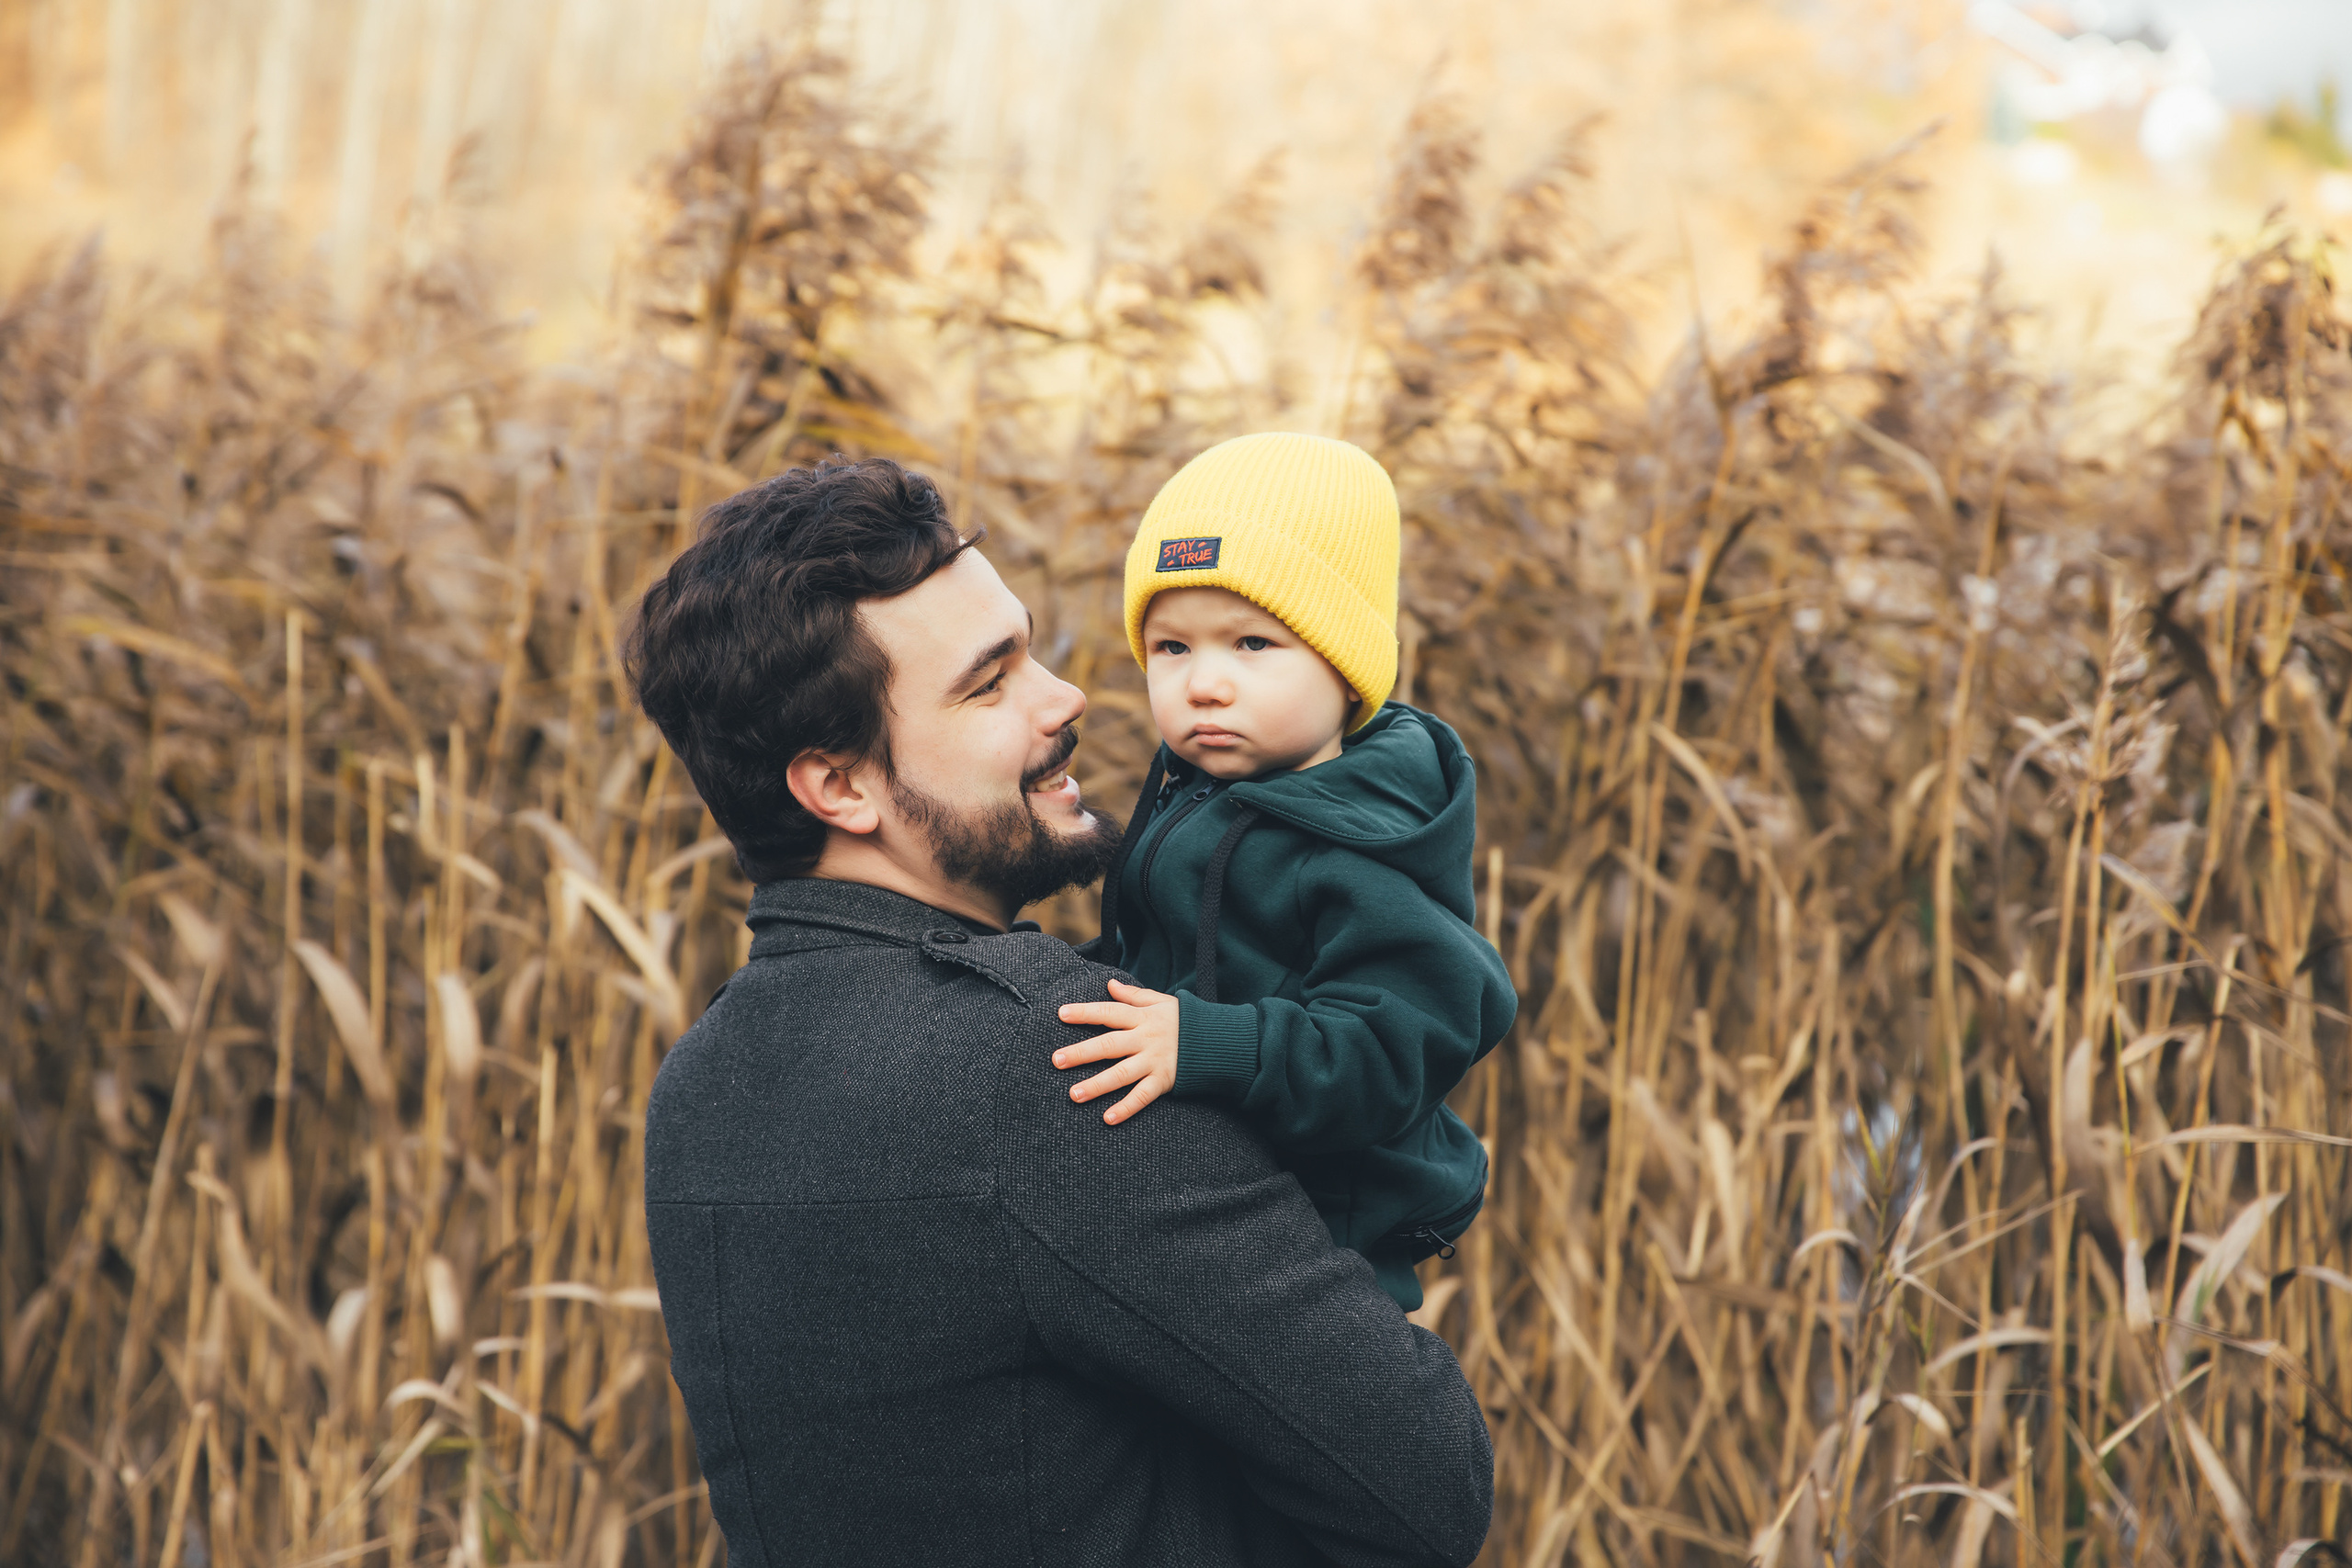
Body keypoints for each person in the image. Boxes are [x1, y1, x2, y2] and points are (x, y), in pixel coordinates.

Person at [626, 457, 1492, 1567]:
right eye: (990, 685)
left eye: (1028, 649)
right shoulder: (1066, 1067)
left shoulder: (703, 1080)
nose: (1069, 697)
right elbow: (1428, 1483)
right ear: (839, 787)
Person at [1056, 433, 1516, 1311]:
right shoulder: (1201, 794)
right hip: (1194, 1215)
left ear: (1345, 670)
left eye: (1254, 644)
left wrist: (1210, 1044)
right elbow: (1157, 960)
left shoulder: (1360, 840)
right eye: (1172, 647)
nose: (1205, 685)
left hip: (1319, 1256)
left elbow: (1392, 1050)